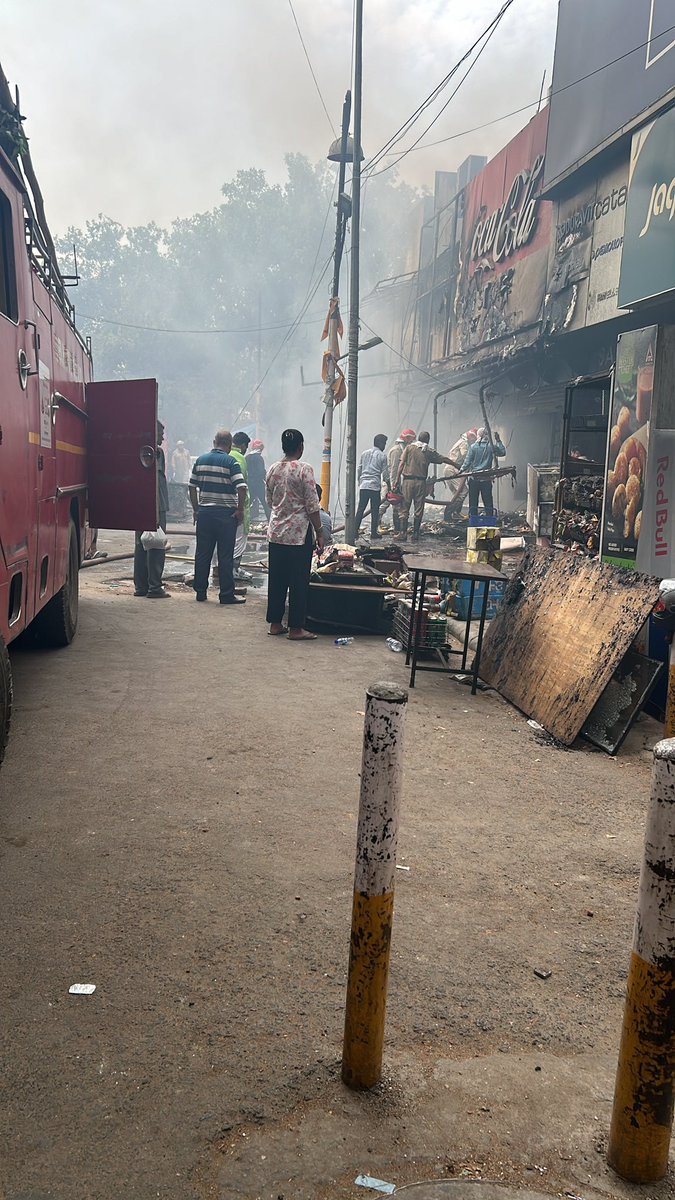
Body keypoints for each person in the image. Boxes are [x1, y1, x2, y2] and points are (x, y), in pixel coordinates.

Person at [266, 428, 324, 640]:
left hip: (276, 533)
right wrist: (319, 531)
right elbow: (312, 504)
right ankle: (296, 628)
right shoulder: (304, 469)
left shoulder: (273, 469)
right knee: (298, 582)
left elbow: (270, 500)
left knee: (277, 580)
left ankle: (275, 623)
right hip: (298, 536)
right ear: (300, 447)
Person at [188, 429, 247, 604]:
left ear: (214, 442)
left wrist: (196, 509)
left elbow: (191, 486)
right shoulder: (231, 462)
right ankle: (226, 594)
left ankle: (200, 591)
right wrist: (240, 509)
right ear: (229, 445)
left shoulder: (201, 460)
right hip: (225, 516)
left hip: (205, 514)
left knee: (203, 553)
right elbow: (241, 487)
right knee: (225, 555)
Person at [394, 431, 454, 542]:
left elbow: (401, 464)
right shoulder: (429, 451)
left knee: (404, 507)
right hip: (421, 483)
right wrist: (456, 465)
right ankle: (415, 534)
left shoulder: (409, 448)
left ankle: (402, 533)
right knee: (419, 508)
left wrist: (397, 480)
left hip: (407, 481)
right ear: (428, 440)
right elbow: (443, 459)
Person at [134, 418, 170, 599]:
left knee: (141, 544)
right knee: (156, 545)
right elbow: (155, 479)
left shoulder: (139, 451)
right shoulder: (156, 452)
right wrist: (155, 508)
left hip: (140, 504)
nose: (162, 438)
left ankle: (141, 586)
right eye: (160, 433)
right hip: (156, 505)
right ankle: (155, 586)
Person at [461, 427, 507, 517]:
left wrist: (460, 471)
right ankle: (489, 520)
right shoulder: (491, 447)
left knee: (473, 503)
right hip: (486, 479)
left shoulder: (473, 447)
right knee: (488, 502)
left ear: (478, 435)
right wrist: (498, 441)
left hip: (474, 479)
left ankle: (473, 520)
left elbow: (467, 462)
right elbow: (502, 452)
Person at [380, 428, 415, 532]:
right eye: (411, 440)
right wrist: (393, 486)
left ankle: (397, 528)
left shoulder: (403, 449)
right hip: (391, 483)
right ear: (407, 439)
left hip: (396, 482)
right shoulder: (397, 451)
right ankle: (376, 524)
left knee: (397, 506)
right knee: (384, 504)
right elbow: (394, 470)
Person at [355, 434, 389, 540]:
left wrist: (359, 481)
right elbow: (385, 474)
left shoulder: (364, 453)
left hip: (364, 485)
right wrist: (390, 487)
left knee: (360, 509)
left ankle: (354, 531)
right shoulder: (382, 456)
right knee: (375, 510)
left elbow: (359, 469)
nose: (385, 445)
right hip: (374, 486)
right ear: (380, 443)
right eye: (384, 443)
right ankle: (373, 533)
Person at [443, 427, 478, 515]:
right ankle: (450, 512)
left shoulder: (462, 441)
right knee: (463, 491)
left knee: (457, 494)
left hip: (451, 469)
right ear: (471, 436)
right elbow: (465, 457)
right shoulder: (464, 443)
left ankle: (454, 513)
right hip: (452, 469)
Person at [230, 431, 252, 576]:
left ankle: (223, 569)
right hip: (239, 505)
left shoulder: (227, 455)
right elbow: (241, 485)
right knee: (239, 541)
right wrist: (241, 508)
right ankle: (234, 569)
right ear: (243, 445)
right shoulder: (239, 458)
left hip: (227, 505)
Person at [246, 439, 270, 520]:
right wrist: (266, 481)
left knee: (247, 504)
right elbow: (261, 471)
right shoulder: (259, 458)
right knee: (266, 505)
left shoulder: (247, 457)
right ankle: (270, 522)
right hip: (259, 484)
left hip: (249, 484)